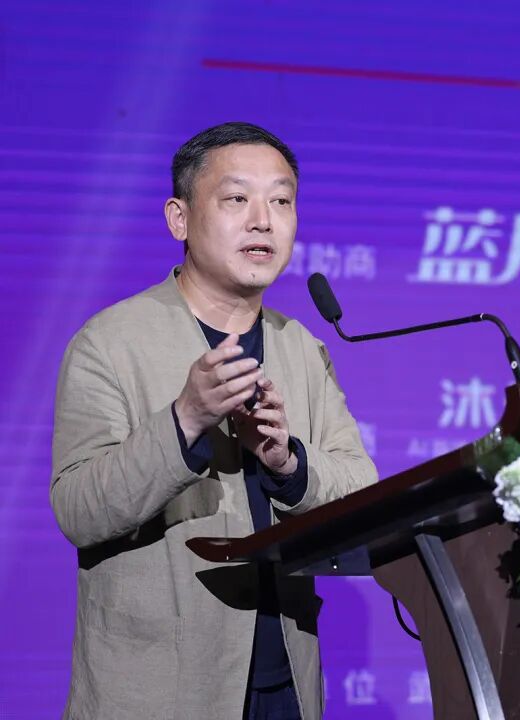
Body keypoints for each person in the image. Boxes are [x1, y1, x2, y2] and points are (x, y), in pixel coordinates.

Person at [50, 122, 377, 719]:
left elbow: (361, 489)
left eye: (281, 201)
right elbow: (79, 510)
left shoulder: (301, 346)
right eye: (236, 199)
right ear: (179, 218)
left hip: (286, 684)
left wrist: (288, 464)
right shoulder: (110, 342)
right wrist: (184, 421)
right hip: (160, 690)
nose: (263, 221)